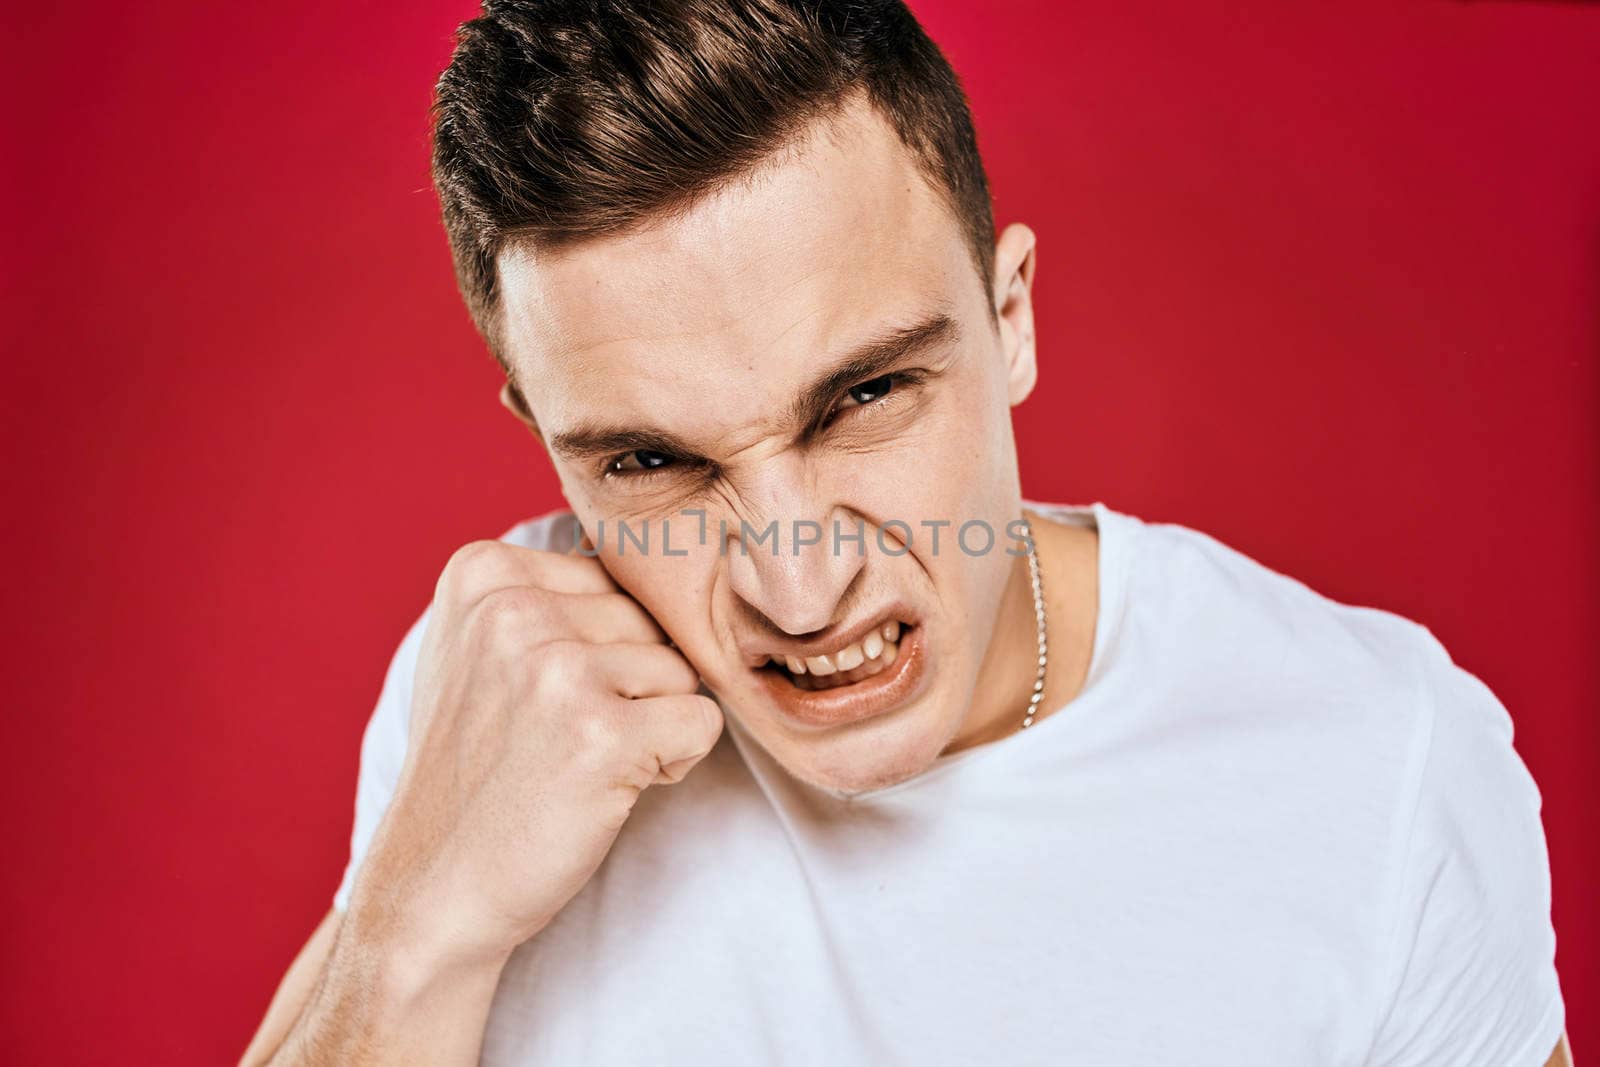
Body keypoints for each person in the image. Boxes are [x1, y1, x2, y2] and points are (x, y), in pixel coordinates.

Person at [241, 2, 1570, 1063]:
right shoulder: (498, 680)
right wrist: (414, 933)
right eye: (652, 461)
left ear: (1012, 320)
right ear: (546, 440)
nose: (802, 586)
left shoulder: (1375, 761)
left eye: (864, 397)